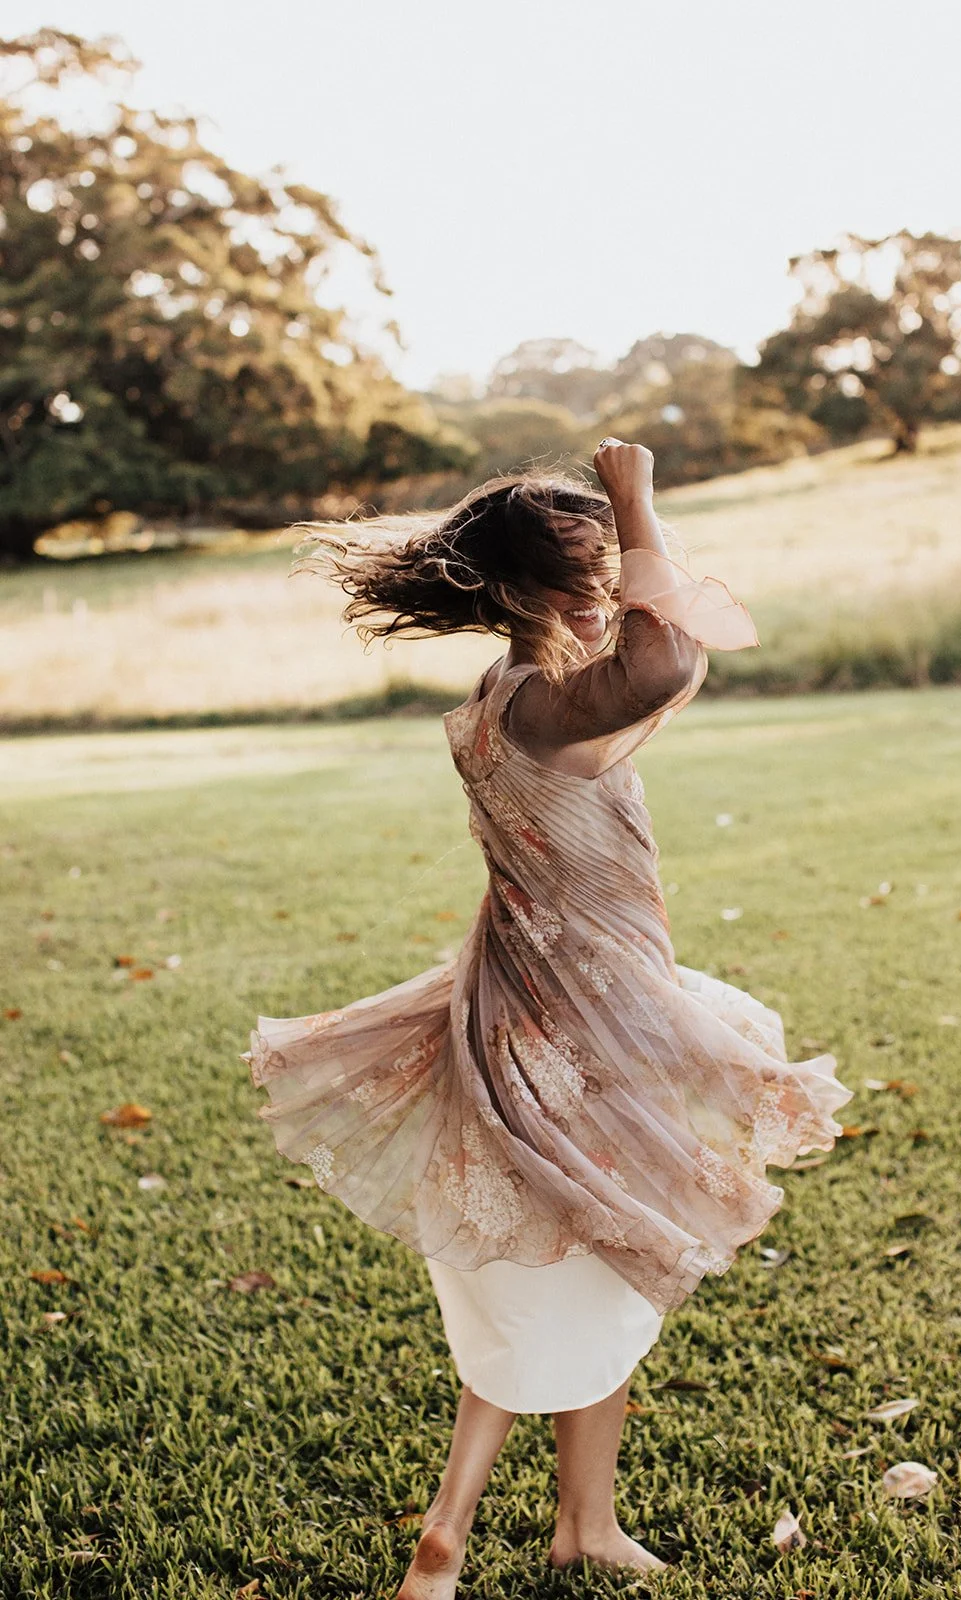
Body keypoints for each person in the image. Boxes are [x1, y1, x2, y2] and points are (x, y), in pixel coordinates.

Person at [241, 438, 854, 1597]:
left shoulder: (487, 707)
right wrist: (634, 495)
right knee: (577, 1273)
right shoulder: (546, 707)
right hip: (587, 1031)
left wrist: (623, 537)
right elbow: (667, 657)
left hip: (526, 1009)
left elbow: (660, 648)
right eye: (588, 565)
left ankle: (584, 1524)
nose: (612, 581)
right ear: (526, 594)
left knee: (592, 1269)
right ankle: (452, 1527)